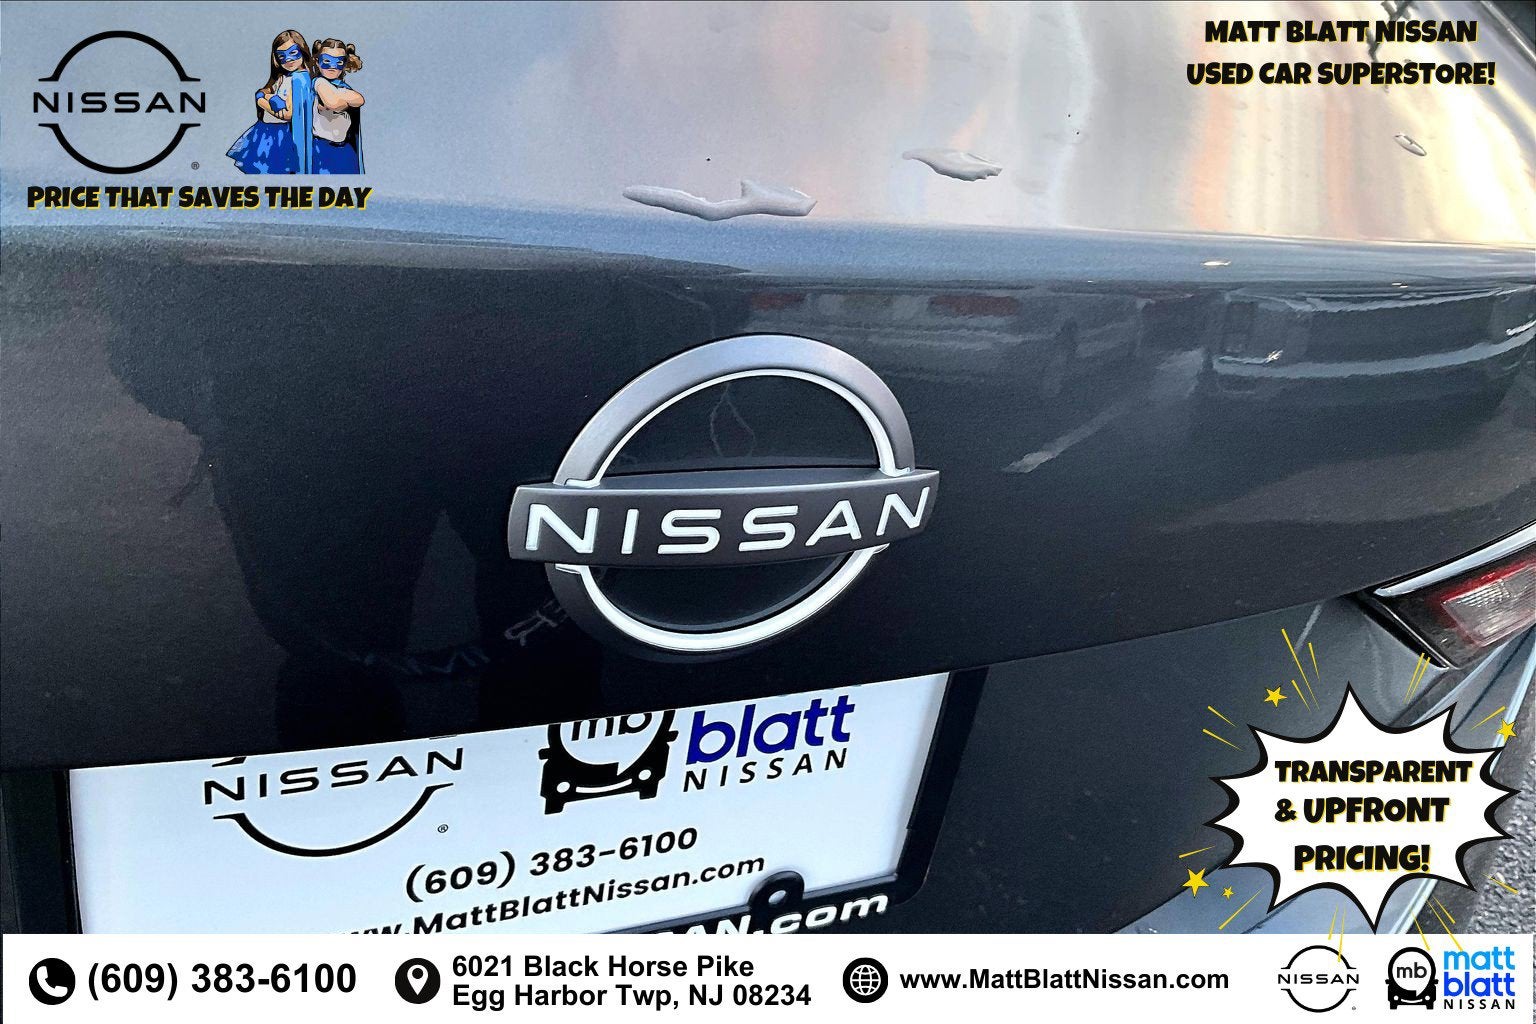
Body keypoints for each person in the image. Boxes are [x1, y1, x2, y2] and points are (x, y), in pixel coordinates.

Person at [227, 30, 316, 174]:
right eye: (282, 56)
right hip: (267, 133)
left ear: (302, 50)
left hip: (280, 136)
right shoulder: (284, 77)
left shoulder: (299, 79)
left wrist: (261, 101)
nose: (288, 59)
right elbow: (268, 90)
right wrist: (268, 96)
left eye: (293, 53)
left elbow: (288, 114)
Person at [310, 38, 365, 174]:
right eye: (327, 61)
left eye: (339, 62)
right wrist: (344, 100)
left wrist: (340, 97)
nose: (332, 67)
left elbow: (359, 99)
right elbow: (334, 103)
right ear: (317, 61)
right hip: (321, 147)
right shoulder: (319, 82)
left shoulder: (342, 86)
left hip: (343, 147)